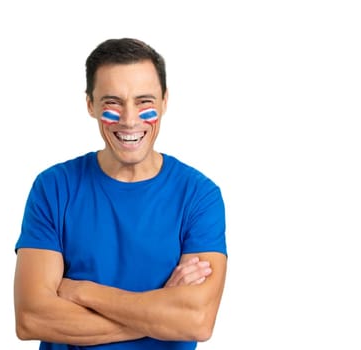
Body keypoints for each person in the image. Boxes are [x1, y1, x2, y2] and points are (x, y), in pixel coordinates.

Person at [13, 38, 227, 350]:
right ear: (90, 105)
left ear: (165, 101)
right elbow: (31, 319)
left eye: (144, 102)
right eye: (112, 102)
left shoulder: (198, 196)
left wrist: (83, 292)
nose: (129, 119)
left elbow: (197, 321)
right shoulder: (53, 188)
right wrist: (162, 314)